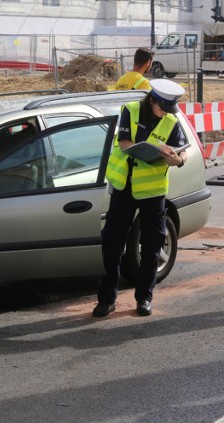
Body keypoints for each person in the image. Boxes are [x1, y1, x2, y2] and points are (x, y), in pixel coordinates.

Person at [93, 79, 188, 318]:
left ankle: (144, 297)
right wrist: (150, 150)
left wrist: (178, 159)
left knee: (152, 245)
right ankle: (107, 298)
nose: (166, 113)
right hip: (124, 187)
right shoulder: (131, 110)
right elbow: (124, 143)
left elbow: (181, 149)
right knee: (112, 243)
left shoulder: (171, 121)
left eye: (170, 109)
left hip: (153, 191)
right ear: (152, 99)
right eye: (163, 107)